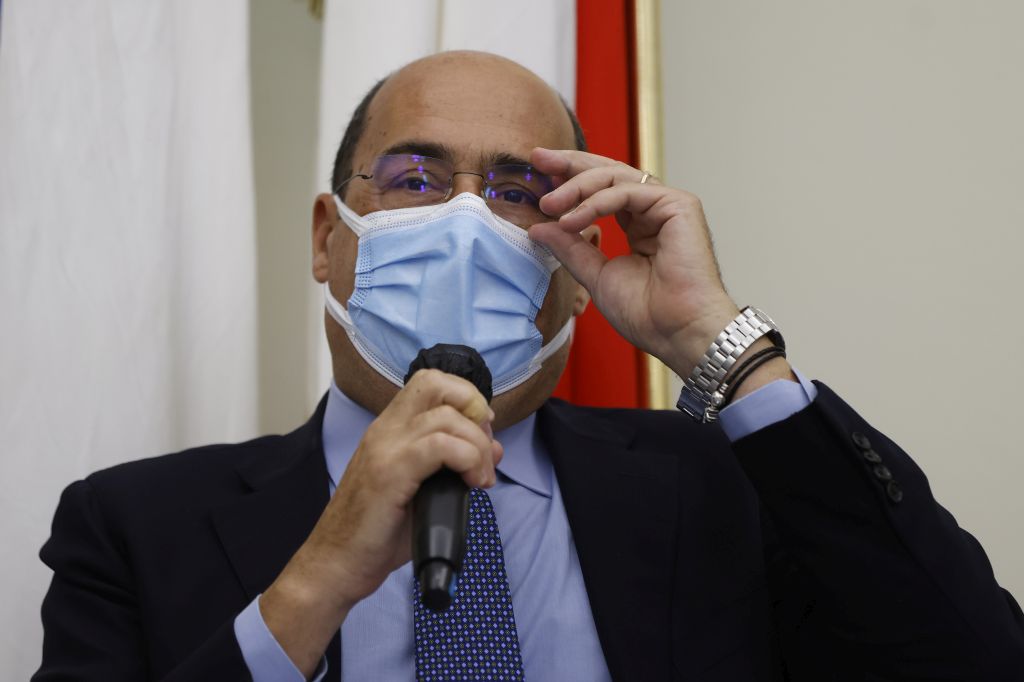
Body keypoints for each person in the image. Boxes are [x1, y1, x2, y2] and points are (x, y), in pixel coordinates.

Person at [34, 51, 1024, 681]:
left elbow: (973, 659)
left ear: (578, 271)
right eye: (415, 177)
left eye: (517, 191)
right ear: (328, 240)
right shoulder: (130, 526)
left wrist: (716, 343)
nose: (467, 222)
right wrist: (317, 582)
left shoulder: (715, 486)